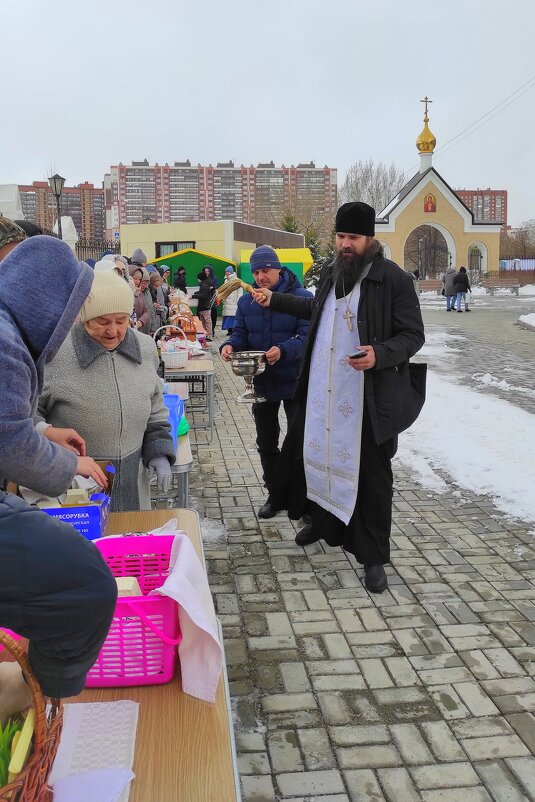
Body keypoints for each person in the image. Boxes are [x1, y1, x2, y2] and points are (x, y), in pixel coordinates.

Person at [252, 203, 425, 593]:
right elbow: (316, 310)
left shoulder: (393, 280)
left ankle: (374, 557)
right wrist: (273, 299)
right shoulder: (333, 272)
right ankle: (322, 524)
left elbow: (413, 335)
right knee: (316, 460)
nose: (346, 244)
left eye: (354, 238)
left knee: (373, 479)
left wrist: (380, 354)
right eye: (341, 236)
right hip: (323, 393)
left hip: (366, 398)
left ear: (370, 239)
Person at [0, 235, 117, 720]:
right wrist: (70, 466)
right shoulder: (5, 343)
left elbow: (11, 422)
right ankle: (36, 693)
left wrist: (45, 432)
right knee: (85, 586)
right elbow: (9, 443)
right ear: (48, 302)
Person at [37, 270, 176, 512]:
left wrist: (159, 451)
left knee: (132, 534)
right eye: (102, 322)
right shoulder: (55, 354)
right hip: (75, 487)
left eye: (121, 321)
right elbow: (26, 416)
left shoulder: (144, 348)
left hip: (133, 483)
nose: (112, 330)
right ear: (84, 318)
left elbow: (155, 406)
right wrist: (48, 439)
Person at [220, 246, 312, 519]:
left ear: (278, 269)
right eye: (256, 272)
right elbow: (240, 334)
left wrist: (284, 350)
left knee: (299, 443)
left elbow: (307, 338)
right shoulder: (246, 302)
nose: (261, 277)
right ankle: (275, 494)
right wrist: (229, 346)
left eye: (266, 271)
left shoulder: (301, 298)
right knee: (266, 442)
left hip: (295, 381)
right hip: (262, 382)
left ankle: (303, 499)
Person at [197, 265, 220, 334]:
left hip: (212, 298)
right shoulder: (203, 278)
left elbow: (216, 287)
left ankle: (211, 330)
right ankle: (205, 331)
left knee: (212, 314)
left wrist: (211, 288)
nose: (206, 272)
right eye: (205, 271)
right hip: (204, 299)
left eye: (208, 271)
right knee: (204, 316)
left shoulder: (214, 279)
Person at [221, 265, 243, 334]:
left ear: (231, 272)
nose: (227, 273)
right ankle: (229, 330)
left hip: (233, 302)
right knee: (228, 316)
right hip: (227, 301)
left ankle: (233, 330)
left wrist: (238, 301)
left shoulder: (237, 281)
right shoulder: (226, 280)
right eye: (226, 272)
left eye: (228, 272)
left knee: (232, 316)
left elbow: (240, 292)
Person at [192, 276, 215, 341]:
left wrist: (193, 296)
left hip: (205, 307)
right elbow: (201, 293)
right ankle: (204, 334)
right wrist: (196, 293)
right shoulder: (203, 286)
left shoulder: (204, 286)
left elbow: (203, 296)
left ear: (200, 279)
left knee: (207, 322)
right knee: (203, 322)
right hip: (202, 307)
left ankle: (209, 335)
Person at [128, 265, 150, 330]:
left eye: (139, 279)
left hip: (137, 329)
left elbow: (146, 311)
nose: (137, 281)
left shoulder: (139, 292)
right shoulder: (124, 292)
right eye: (135, 278)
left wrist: (140, 322)